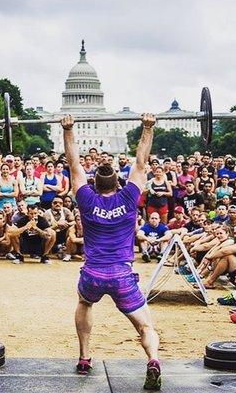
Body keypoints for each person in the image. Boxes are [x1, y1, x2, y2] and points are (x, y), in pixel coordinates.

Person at [61, 113, 162, 390]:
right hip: (121, 275)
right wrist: (148, 127)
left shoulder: (85, 197)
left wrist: (68, 129)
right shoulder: (129, 197)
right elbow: (141, 163)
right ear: (118, 183)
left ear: (94, 184)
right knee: (145, 327)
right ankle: (153, 360)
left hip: (92, 273)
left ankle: (84, 357)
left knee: (84, 302)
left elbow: (74, 163)